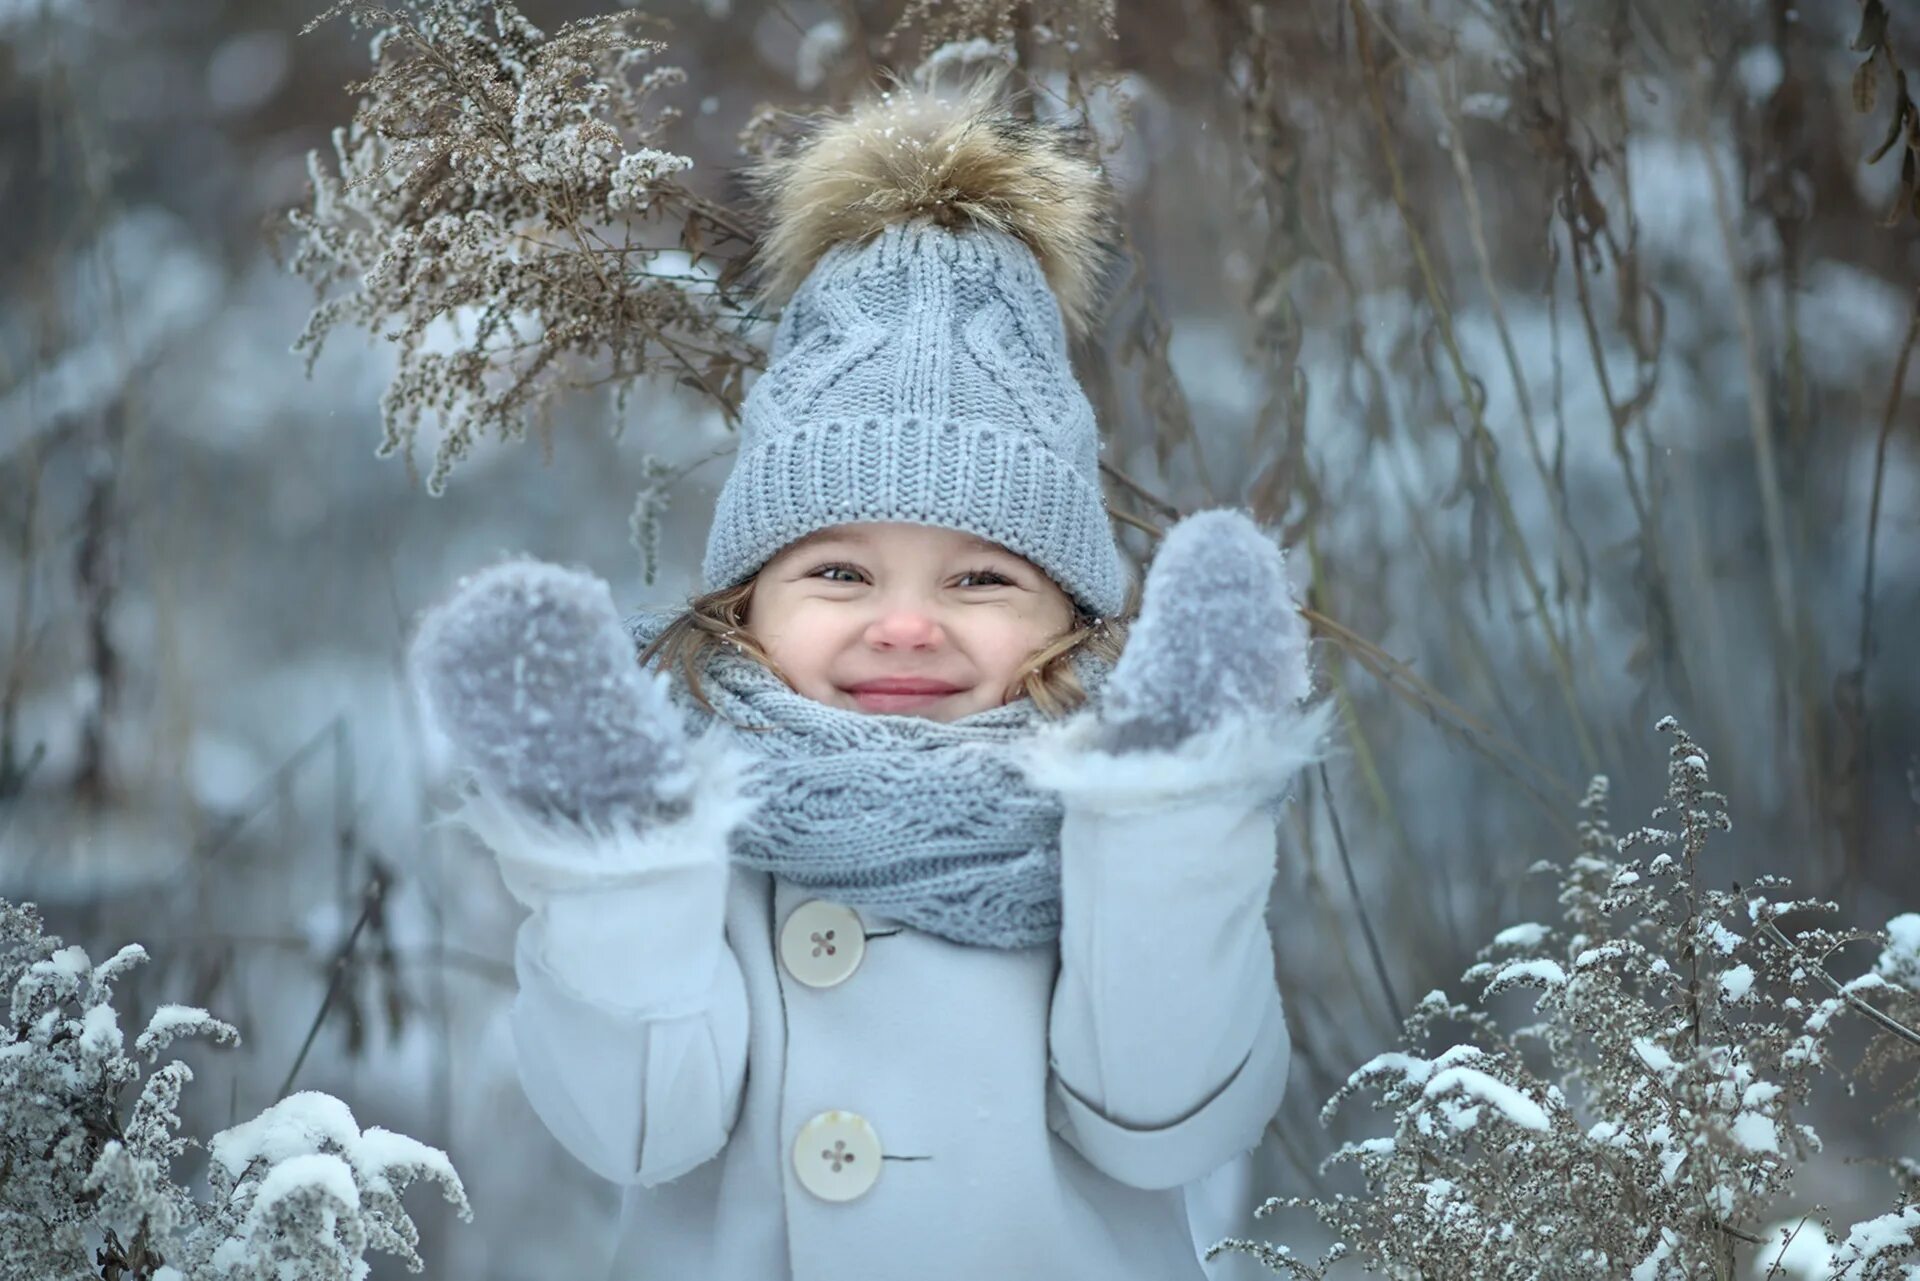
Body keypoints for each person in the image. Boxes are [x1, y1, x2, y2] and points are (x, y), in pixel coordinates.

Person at [407, 76, 1331, 1281]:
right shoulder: (712, 837)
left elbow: (1169, 1119)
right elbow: (639, 1126)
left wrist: (1172, 809)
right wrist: (616, 849)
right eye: (840, 572)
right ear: (744, 604)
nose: (904, 627)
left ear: (1076, 616)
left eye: (982, 583)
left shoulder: (1092, 832)